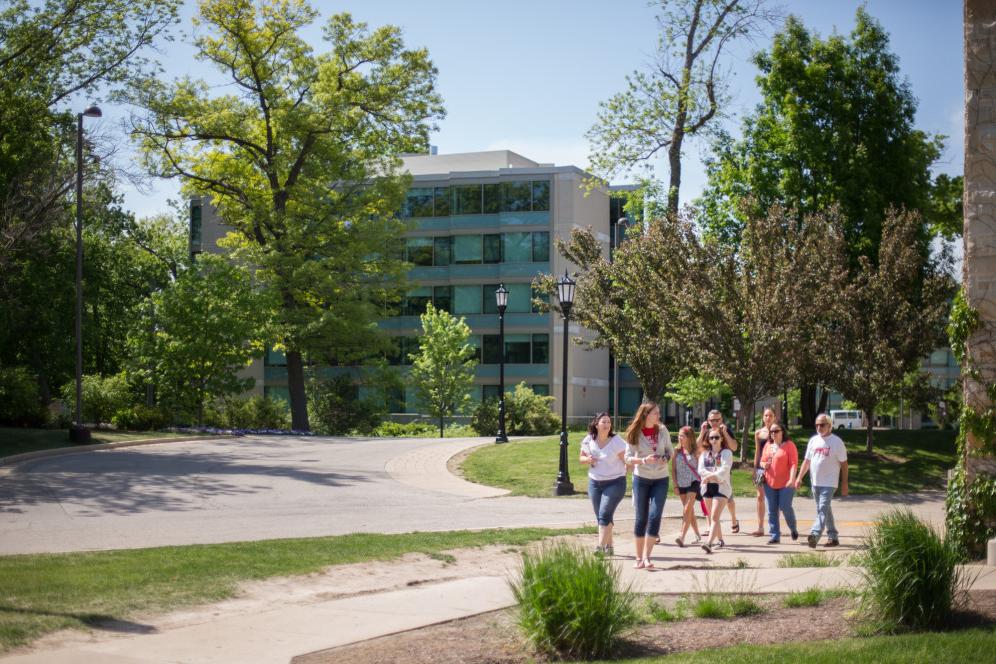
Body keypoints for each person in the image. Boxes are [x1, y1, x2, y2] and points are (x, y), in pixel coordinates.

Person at [625, 402, 675, 569]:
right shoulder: (634, 432)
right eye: (655, 413)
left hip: (661, 478)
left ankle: (647, 557)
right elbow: (628, 457)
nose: (658, 416)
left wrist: (665, 459)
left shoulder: (662, 430)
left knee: (655, 517)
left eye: (658, 413)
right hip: (642, 478)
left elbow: (670, 451)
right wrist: (643, 460)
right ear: (646, 415)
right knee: (641, 518)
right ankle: (638, 558)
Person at [794, 413, 849, 548]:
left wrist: (844, 483)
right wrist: (799, 478)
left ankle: (814, 534)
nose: (819, 427)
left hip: (829, 483)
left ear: (829, 426)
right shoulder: (813, 440)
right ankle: (833, 537)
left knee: (822, 510)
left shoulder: (837, 442)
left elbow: (844, 465)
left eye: (822, 424)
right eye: (817, 425)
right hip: (815, 482)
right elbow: (807, 462)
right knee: (825, 509)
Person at [580, 412, 628, 555]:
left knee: (604, 514)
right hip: (595, 483)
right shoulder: (589, 440)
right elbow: (581, 458)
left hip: (615, 482)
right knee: (602, 516)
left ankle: (600, 547)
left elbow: (626, 458)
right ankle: (610, 547)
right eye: (604, 422)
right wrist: (588, 460)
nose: (607, 425)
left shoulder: (616, 441)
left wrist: (629, 466)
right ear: (596, 424)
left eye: (609, 422)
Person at [696, 409, 740, 533]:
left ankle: (733, 519)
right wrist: (701, 432)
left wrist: (725, 433)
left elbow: (734, 447)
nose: (714, 422)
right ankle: (710, 526)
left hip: (722, 472)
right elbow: (697, 448)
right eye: (712, 420)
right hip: (708, 470)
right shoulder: (706, 432)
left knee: (729, 500)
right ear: (708, 421)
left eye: (717, 420)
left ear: (721, 420)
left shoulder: (726, 430)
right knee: (707, 498)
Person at [759, 423, 799, 544]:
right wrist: (763, 464)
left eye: (776, 431)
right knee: (772, 510)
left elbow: (793, 464)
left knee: (785, 507)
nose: (773, 433)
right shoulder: (768, 445)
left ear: (782, 432)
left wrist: (792, 479)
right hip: (769, 482)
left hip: (786, 483)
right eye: (771, 431)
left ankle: (793, 528)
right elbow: (762, 461)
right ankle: (775, 536)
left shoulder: (789, 445)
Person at [698, 426, 733, 554]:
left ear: (721, 438)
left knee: (714, 516)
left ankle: (708, 543)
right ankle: (720, 540)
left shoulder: (726, 453)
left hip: (721, 487)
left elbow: (725, 469)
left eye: (716, 437)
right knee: (713, 516)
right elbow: (701, 469)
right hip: (707, 486)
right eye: (711, 438)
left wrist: (712, 476)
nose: (714, 440)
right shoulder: (704, 454)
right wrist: (708, 476)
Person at [749, 407, 778, 537]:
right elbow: (757, 451)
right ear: (763, 417)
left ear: (774, 417)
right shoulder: (758, 433)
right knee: (760, 496)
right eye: (766, 415)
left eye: (770, 415)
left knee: (772, 497)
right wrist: (754, 468)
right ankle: (760, 527)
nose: (768, 418)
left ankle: (774, 526)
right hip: (761, 468)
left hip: (774, 469)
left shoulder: (778, 432)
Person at [671, 425, 702, 547]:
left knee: (687, 508)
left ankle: (682, 537)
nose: (679, 438)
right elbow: (673, 469)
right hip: (681, 483)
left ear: (689, 437)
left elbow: (701, 468)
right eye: (678, 435)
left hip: (694, 482)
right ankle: (697, 534)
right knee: (690, 511)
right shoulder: (676, 451)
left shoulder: (696, 451)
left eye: (682, 436)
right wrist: (675, 485)